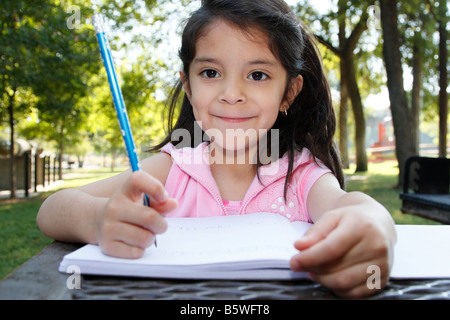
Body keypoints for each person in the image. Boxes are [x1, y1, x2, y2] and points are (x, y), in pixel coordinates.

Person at [37, 0, 396, 298]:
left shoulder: (301, 176)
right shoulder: (170, 170)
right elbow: (53, 209)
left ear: (288, 92)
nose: (231, 93)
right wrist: (98, 221)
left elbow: (352, 206)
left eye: (257, 75)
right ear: (189, 88)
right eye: (210, 73)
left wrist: (373, 224)